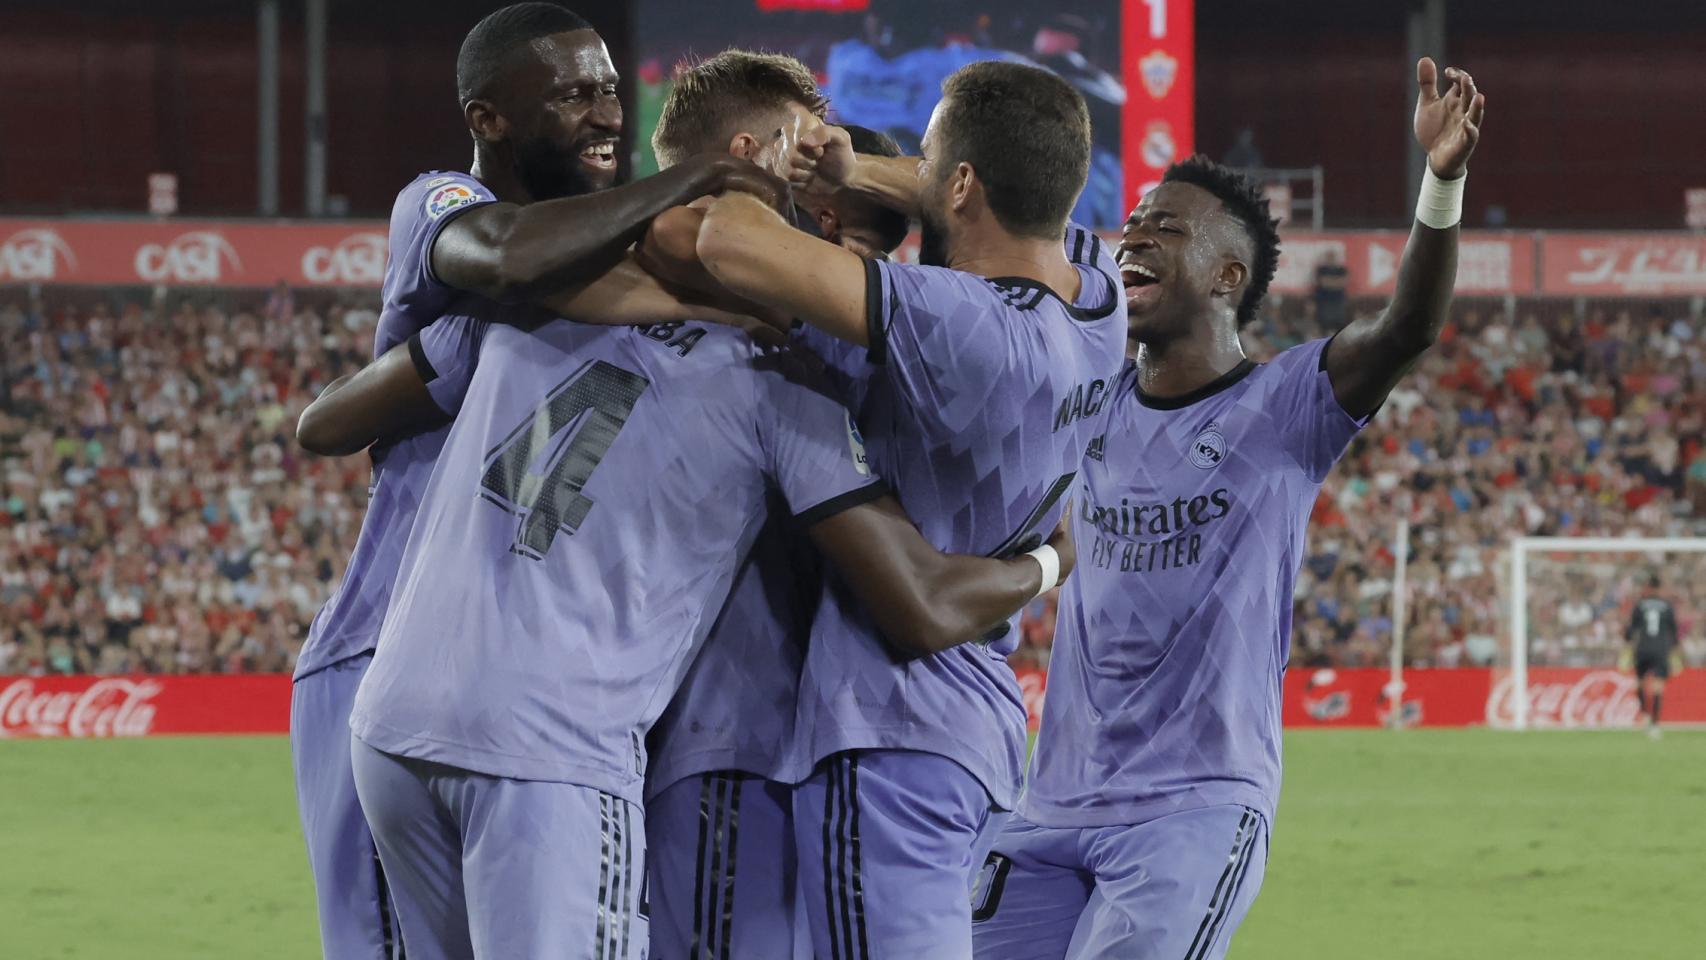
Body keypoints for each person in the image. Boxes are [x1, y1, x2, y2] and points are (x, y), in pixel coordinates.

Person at [286, 4, 785, 959]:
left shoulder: (597, 260)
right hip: (385, 648)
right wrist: (698, 179)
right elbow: (502, 266)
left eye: (611, 90)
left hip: (516, 673)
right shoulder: (445, 209)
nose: (607, 114)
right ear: (489, 118)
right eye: (573, 94)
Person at [971, 58, 1485, 960]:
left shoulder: (1285, 407)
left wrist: (1440, 183)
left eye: (1166, 227)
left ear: (1227, 275)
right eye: (1133, 223)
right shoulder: (1086, 395)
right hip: (1047, 805)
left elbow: (1407, 327)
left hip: (1192, 811)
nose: (1134, 237)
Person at [653, 60, 1125, 956]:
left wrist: (769, 162)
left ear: (961, 184)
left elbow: (728, 242)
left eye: (929, 162)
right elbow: (994, 189)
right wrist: (855, 168)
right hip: (976, 726)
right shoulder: (1098, 297)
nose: (912, 173)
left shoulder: (961, 324)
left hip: (887, 729)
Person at [636, 53, 912, 960]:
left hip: (786, 746)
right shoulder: (767, 342)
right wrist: (1048, 560)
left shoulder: (801, 341)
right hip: (734, 739)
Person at [1627, 574, 1679, 739]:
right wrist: (1675, 654)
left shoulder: (1640, 605)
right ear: (1660, 588)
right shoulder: (1667, 606)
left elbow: (1631, 631)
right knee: (1657, 686)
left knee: (1640, 684)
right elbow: (1674, 633)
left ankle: (1645, 715)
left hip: (1642, 649)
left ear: (1648, 588)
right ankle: (1655, 725)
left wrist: (1626, 644)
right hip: (1660, 650)